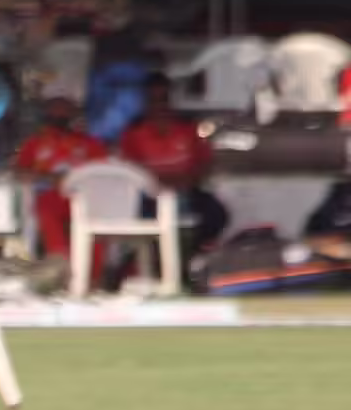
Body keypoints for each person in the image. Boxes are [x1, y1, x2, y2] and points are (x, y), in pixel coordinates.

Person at [120, 72, 229, 277]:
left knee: (217, 214)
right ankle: (151, 266)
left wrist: (188, 180)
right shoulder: (134, 132)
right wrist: (158, 183)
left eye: (163, 99)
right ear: (146, 102)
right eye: (154, 99)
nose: (159, 105)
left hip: (187, 188)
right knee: (144, 219)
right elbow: (129, 169)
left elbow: (205, 162)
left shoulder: (187, 127)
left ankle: (193, 262)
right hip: (149, 194)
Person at [13, 82, 108, 286]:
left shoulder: (89, 143)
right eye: (54, 106)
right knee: (46, 207)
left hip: (84, 198)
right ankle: (62, 271)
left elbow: (104, 173)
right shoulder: (35, 142)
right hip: (51, 196)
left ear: (73, 110)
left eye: (64, 106)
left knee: (97, 215)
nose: (59, 112)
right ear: (46, 109)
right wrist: (48, 177)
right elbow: (19, 172)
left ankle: (93, 279)